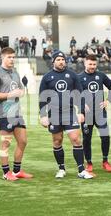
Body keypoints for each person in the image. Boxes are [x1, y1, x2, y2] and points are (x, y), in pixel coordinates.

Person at [39, 51, 93, 179]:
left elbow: (79, 94)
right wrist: (43, 115)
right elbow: (42, 98)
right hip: (54, 114)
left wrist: (81, 112)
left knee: (76, 139)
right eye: (58, 59)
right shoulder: (47, 77)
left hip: (69, 112)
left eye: (63, 59)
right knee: (57, 141)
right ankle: (61, 169)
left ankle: (81, 170)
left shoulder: (72, 75)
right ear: (53, 61)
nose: (61, 61)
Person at [0, 47, 33, 181]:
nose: (12, 59)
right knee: (5, 144)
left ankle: (17, 171)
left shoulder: (15, 73)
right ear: (2, 57)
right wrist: (9, 95)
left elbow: (19, 91)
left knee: (23, 141)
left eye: (13, 57)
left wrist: (22, 91)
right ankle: (6, 172)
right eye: (9, 57)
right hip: (4, 114)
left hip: (17, 113)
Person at [78, 54, 111, 174]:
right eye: (90, 64)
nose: (92, 66)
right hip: (86, 115)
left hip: (100, 113)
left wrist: (108, 100)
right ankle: (88, 163)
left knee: (105, 136)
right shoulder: (79, 78)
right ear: (85, 63)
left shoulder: (101, 76)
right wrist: (82, 104)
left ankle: (105, 161)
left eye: (94, 64)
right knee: (87, 139)